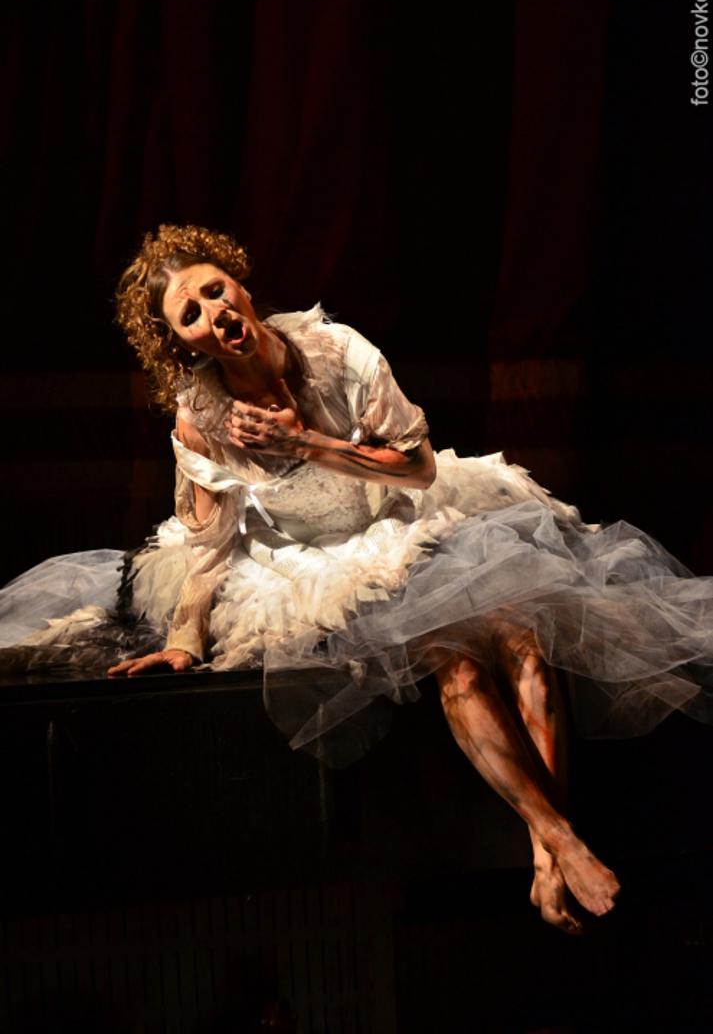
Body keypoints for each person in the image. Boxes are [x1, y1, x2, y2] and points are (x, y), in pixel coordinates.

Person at [2, 224, 712, 936]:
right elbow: (210, 543)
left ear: (239, 283)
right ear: (182, 343)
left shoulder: (337, 351)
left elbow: (419, 470)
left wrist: (303, 442)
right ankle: (557, 839)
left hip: (403, 517)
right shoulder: (201, 418)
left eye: (215, 291)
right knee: (458, 666)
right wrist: (185, 637)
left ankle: (545, 850)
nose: (214, 312)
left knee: (523, 642)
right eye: (191, 314)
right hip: (312, 559)